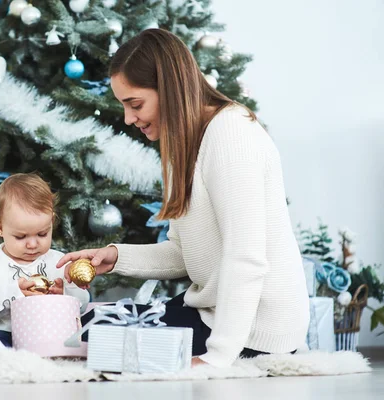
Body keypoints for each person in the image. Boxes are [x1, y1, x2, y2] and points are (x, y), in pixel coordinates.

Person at [56, 29, 309, 368]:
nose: (129, 119)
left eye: (135, 104)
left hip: (257, 329)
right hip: (213, 312)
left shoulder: (231, 134)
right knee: (94, 329)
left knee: (105, 341)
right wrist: (116, 257)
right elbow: (183, 253)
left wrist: (216, 358)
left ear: (170, 89)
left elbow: (246, 258)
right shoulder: (185, 145)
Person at [0, 173, 90, 347]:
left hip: (49, 333)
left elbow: (83, 304)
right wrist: (14, 293)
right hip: (5, 335)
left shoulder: (59, 262)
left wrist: (65, 293)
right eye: (20, 236)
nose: (32, 244)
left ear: (51, 222)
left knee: (76, 339)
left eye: (42, 234)